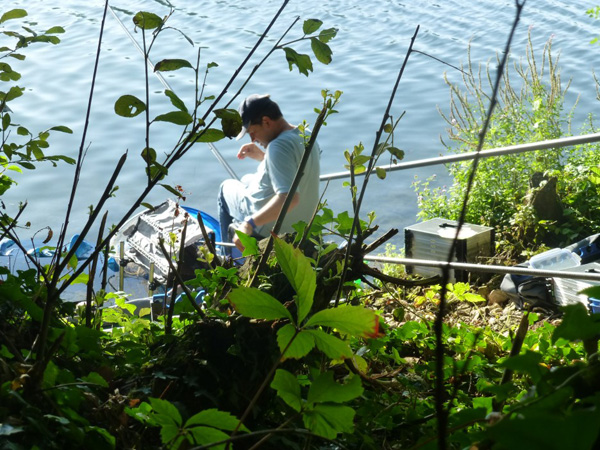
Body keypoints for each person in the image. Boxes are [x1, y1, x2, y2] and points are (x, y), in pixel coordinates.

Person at [217, 94, 321, 254]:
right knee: (246, 179)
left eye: (252, 132)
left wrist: (249, 224)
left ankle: (226, 259)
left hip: (269, 227)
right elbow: (295, 169)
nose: (252, 139)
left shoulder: (277, 147)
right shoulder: (305, 134)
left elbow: (290, 198)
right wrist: (263, 158)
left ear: (266, 121)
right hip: (301, 224)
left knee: (225, 188)